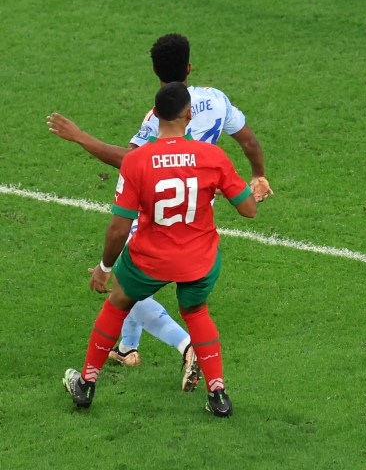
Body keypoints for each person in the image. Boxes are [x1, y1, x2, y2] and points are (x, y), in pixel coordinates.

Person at [47, 33, 272, 389]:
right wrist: (258, 175)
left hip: (159, 208)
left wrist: (80, 137)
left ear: (155, 71)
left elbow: (130, 160)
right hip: (199, 209)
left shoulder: (157, 117)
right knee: (184, 301)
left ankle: (184, 347)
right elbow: (249, 142)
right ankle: (128, 347)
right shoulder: (216, 101)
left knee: (124, 284)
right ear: (189, 67)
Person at [63, 82, 256, 417]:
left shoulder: (137, 161)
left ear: (154, 115)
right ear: (189, 114)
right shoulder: (213, 156)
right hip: (199, 260)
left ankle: (87, 385)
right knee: (196, 313)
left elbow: (119, 227)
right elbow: (248, 209)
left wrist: (104, 268)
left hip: (149, 260)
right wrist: (245, 189)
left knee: (118, 303)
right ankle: (218, 395)